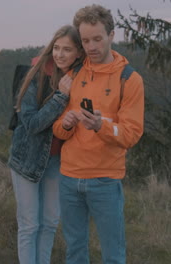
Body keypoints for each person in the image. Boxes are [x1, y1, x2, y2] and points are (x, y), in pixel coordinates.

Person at [52, 5, 145, 264]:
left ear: (111, 35)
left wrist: (100, 126)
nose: (91, 47)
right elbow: (58, 129)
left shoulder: (129, 79)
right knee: (75, 251)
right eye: (85, 41)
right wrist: (67, 123)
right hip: (69, 177)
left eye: (97, 39)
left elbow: (131, 134)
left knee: (113, 255)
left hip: (105, 180)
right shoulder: (74, 73)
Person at [7, 25, 84, 264]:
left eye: (67, 50)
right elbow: (30, 123)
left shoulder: (81, 78)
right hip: (27, 160)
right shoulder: (37, 74)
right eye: (57, 48)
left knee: (50, 223)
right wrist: (60, 97)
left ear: (78, 53)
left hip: (58, 162)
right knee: (30, 224)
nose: (60, 54)